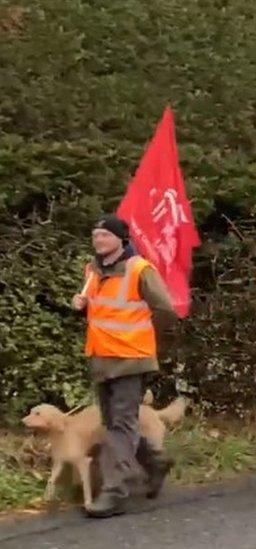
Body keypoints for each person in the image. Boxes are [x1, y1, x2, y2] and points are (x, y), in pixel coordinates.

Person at [71, 215, 177, 518]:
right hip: (102, 358)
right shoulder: (92, 270)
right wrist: (82, 306)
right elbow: (101, 310)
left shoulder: (140, 270)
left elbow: (166, 309)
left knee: (120, 425)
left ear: (121, 239)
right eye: (95, 235)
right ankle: (154, 462)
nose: (98, 240)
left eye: (104, 235)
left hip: (131, 359)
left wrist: (142, 334)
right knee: (115, 422)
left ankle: (114, 491)